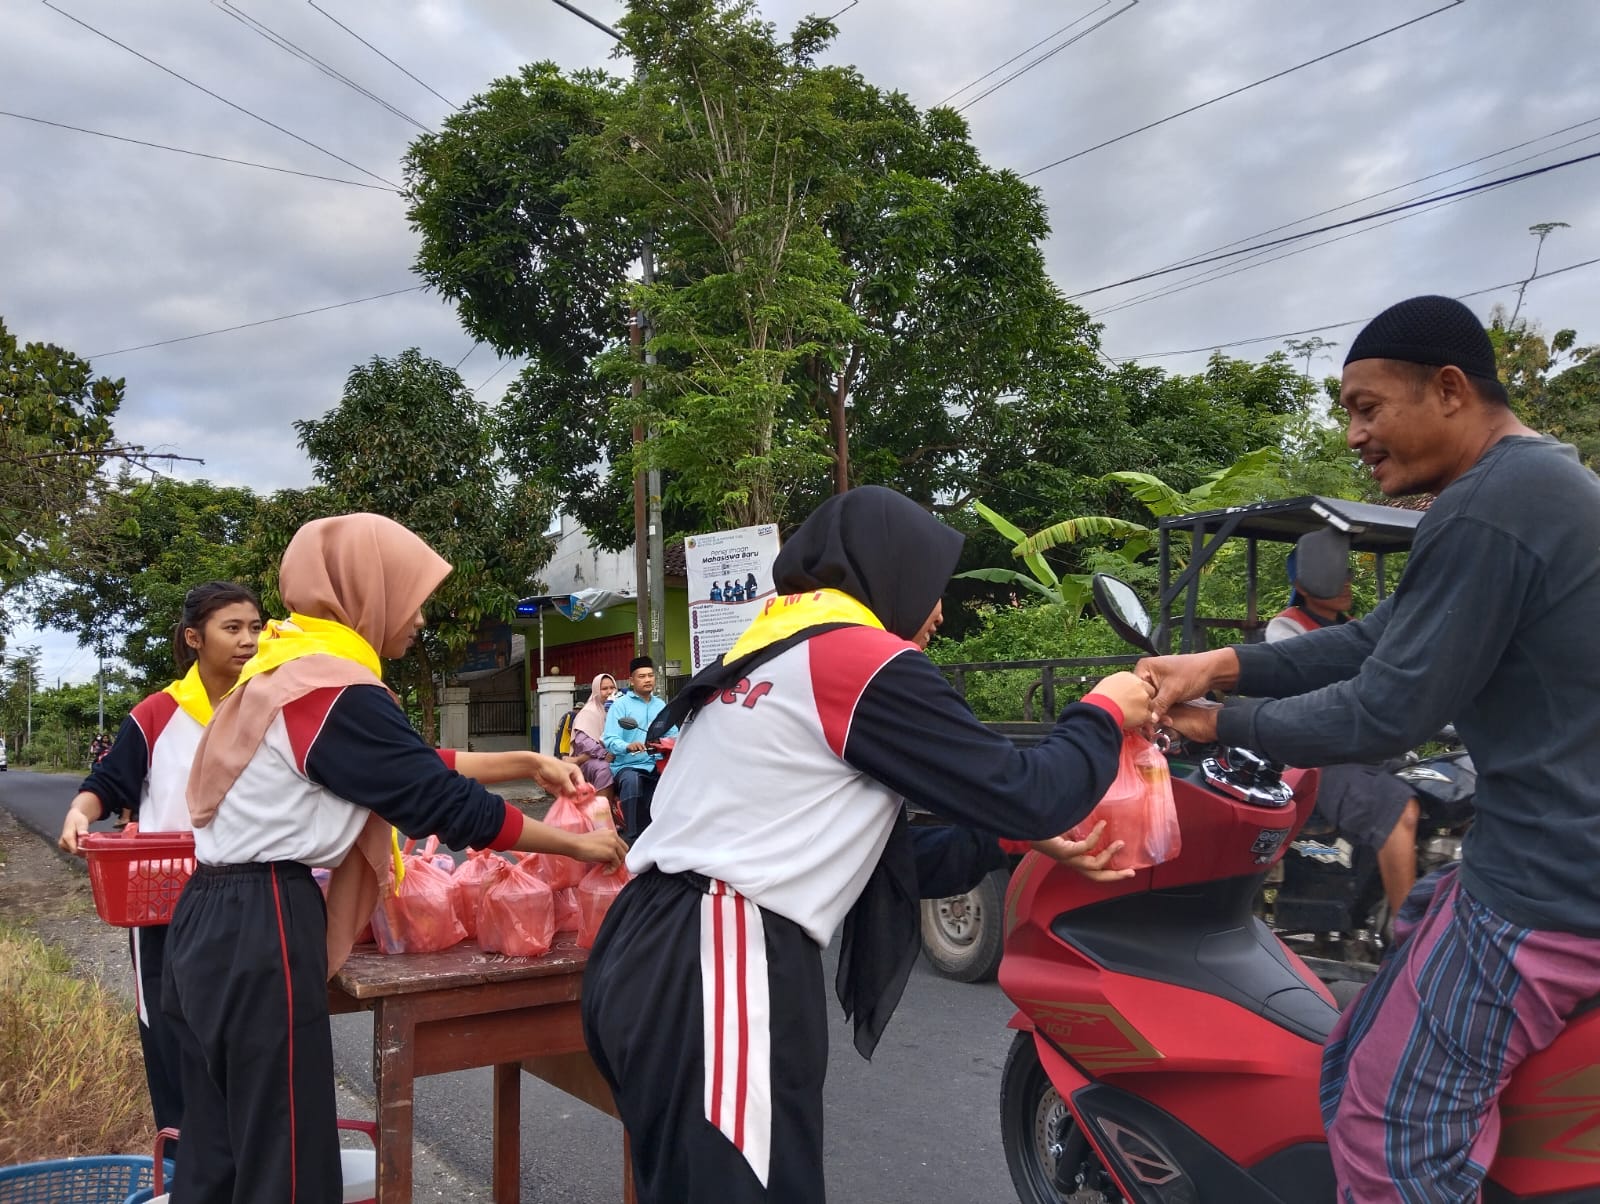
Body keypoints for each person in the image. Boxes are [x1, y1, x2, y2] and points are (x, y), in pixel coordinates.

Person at [1139, 295, 1600, 1204]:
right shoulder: (1538, 482)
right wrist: (1220, 665)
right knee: (1358, 1053)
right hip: (1545, 856)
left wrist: (1220, 723)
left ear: (1451, 390)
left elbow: (1382, 710)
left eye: (1367, 407)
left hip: (1544, 888)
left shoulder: (1488, 507)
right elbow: (1376, 638)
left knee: (1389, 1134)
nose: (1354, 434)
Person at [581, 485, 1154, 1204]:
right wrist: (1103, 710)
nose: (939, 613)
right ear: (892, 575)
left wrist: (1011, 833)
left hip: (656, 948)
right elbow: (1031, 789)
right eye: (933, 586)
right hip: (720, 956)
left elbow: (875, 860)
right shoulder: (856, 659)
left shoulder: (768, 656)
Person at [163, 514, 627, 1204]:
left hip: (211, 917)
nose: (418, 619)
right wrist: (577, 844)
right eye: (411, 599)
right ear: (365, 593)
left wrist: (524, 762)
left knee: (220, 1149)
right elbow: (436, 800)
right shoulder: (330, 687)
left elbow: (398, 762)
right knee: (283, 1159)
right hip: (258, 924)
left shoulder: (289, 668)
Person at [58, 582, 264, 1139]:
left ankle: (246, 1162)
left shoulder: (270, 705)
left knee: (246, 1041)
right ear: (194, 638)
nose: (247, 640)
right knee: (173, 1037)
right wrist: (79, 812)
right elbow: (108, 782)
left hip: (250, 897)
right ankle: (180, 1161)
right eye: (232, 628)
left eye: (255, 627)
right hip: (164, 903)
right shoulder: (157, 714)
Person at [1267, 527, 1421, 918]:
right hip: (1319, 757)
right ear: (1304, 583)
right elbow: (1320, 685)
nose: (1347, 581)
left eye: (1348, 572)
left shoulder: (1358, 628)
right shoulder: (1286, 628)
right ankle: (1410, 933)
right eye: (1337, 573)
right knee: (1398, 811)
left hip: (1368, 749)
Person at [603, 656, 676, 838]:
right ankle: (634, 836)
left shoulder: (661, 705)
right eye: (642, 676)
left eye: (650, 675)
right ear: (632, 680)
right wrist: (628, 746)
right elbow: (610, 738)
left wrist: (670, 742)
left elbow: (673, 733)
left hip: (657, 763)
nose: (647, 680)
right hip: (628, 765)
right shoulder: (620, 706)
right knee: (632, 782)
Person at [567, 672, 618, 807]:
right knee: (605, 769)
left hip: (616, 755)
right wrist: (603, 753)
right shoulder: (589, 712)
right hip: (590, 759)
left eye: (612, 688)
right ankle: (601, 812)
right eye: (604, 689)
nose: (609, 692)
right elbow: (583, 741)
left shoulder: (618, 709)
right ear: (596, 691)